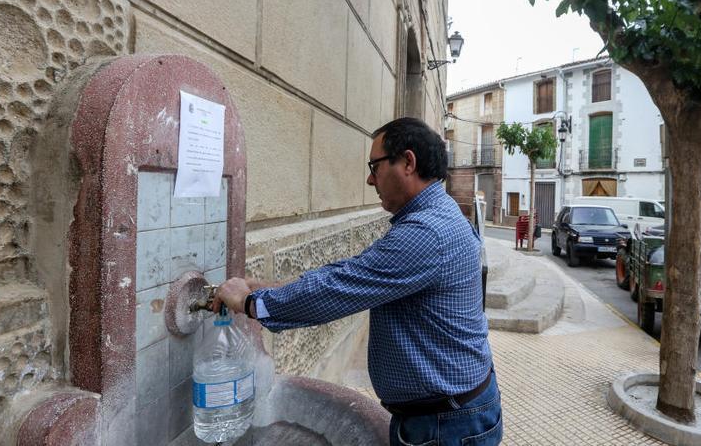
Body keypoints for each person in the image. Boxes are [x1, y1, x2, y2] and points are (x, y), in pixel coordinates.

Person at [213, 117, 502, 445]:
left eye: (374, 166)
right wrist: (271, 289)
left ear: (408, 162)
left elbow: (339, 288)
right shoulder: (435, 216)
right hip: (452, 413)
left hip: (444, 425)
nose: (369, 179)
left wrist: (251, 303)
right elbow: (354, 273)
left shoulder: (427, 233)